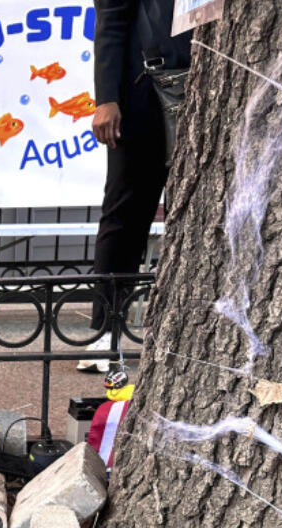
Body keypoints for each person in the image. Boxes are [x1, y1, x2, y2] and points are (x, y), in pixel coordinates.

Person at [78, 0, 190, 373]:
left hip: (205, 87)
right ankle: (106, 332)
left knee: (195, 214)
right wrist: (106, 98)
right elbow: (110, 21)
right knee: (125, 213)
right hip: (143, 91)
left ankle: (184, 332)